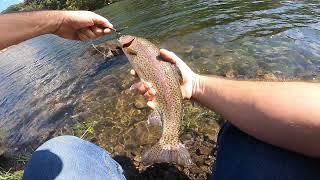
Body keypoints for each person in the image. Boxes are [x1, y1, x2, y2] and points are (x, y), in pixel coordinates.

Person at [1, 10, 320, 180]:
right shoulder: (133, 47)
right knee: (248, 136)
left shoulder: (128, 47)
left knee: (59, 151)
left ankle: (169, 142)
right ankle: (170, 140)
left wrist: (56, 21)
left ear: (127, 46)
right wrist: (192, 85)